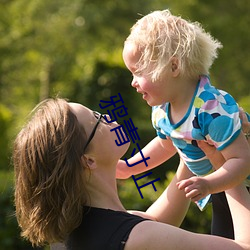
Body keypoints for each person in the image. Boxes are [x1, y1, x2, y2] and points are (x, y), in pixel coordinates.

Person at [13, 98, 250, 250]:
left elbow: (157, 221)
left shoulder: (74, 233)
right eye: (98, 120)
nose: (109, 117)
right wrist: (226, 165)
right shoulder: (138, 238)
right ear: (88, 160)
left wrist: (190, 138)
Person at [119, 9, 250, 238]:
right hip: (221, 188)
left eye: (138, 72)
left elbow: (242, 160)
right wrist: (130, 167)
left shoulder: (210, 109)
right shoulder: (162, 110)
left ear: (173, 67)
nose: (133, 83)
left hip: (239, 185)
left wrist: (209, 184)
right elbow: (165, 145)